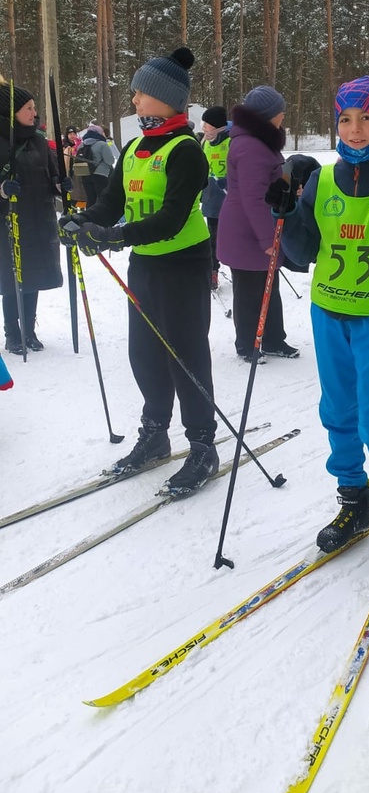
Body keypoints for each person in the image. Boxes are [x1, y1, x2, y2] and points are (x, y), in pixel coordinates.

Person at [265, 76, 369, 579]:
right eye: (345, 119)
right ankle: (354, 500)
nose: (356, 129)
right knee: (337, 414)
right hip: (327, 313)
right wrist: (287, 212)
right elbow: (300, 257)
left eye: (366, 118)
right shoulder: (321, 178)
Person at [58, 47, 218, 495]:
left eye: (141, 94)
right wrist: (85, 222)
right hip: (146, 263)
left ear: (167, 99)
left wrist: (114, 238)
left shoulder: (186, 150)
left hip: (183, 264)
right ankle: (155, 435)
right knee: (145, 352)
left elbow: (170, 217)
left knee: (185, 355)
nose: (134, 101)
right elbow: (113, 204)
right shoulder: (133, 148)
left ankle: (203, 445)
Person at [216, 85, 298, 362]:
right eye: (279, 112)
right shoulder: (250, 146)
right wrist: (267, 240)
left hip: (258, 227)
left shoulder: (260, 141)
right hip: (246, 232)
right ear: (265, 117)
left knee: (268, 286)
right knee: (249, 291)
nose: (283, 116)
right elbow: (253, 197)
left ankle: (274, 339)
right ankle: (247, 344)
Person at [0, 77, 67, 354]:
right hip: (9, 222)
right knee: (11, 278)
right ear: (10, 112)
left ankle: (29, 329)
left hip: (38, 219)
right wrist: (2, 190)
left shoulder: (40, 142)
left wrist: (61, 184)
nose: (34, 113)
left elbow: (51, 175)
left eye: (34, 107)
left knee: (33, 276)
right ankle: (12, 333)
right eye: (27, 108)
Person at [200, 105, 230, 291]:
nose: (204, 128)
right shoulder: (204, 143)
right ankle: (213, 272)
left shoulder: (232, 142)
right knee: (212, 239)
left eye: (207, 124)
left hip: (229, 199)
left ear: (218, 126)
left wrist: (229, 181)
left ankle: (239, 270)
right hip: (211, 198)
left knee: (232, 237)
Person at [77, 123, 116, 207]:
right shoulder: (102, 144)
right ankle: (104, 218)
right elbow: (110, 161)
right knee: (103, 199)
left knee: (90, 199)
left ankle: (89, 218)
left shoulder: (81, 145)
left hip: (85, 174)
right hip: (101, 175)